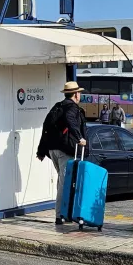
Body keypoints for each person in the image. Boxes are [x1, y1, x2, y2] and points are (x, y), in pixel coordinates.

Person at [36, 81, 87, 226]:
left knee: (65, 182)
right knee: (64, 184)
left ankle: (67, 213)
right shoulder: (71, 108)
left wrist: (41, 150)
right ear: (76, 94)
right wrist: (80, 138)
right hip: (65, 150)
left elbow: (46, 127)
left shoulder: (58, 106)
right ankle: (60, 216)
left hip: (53, 150)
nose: (80, 95)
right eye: (79, 93)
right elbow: (71, 122)